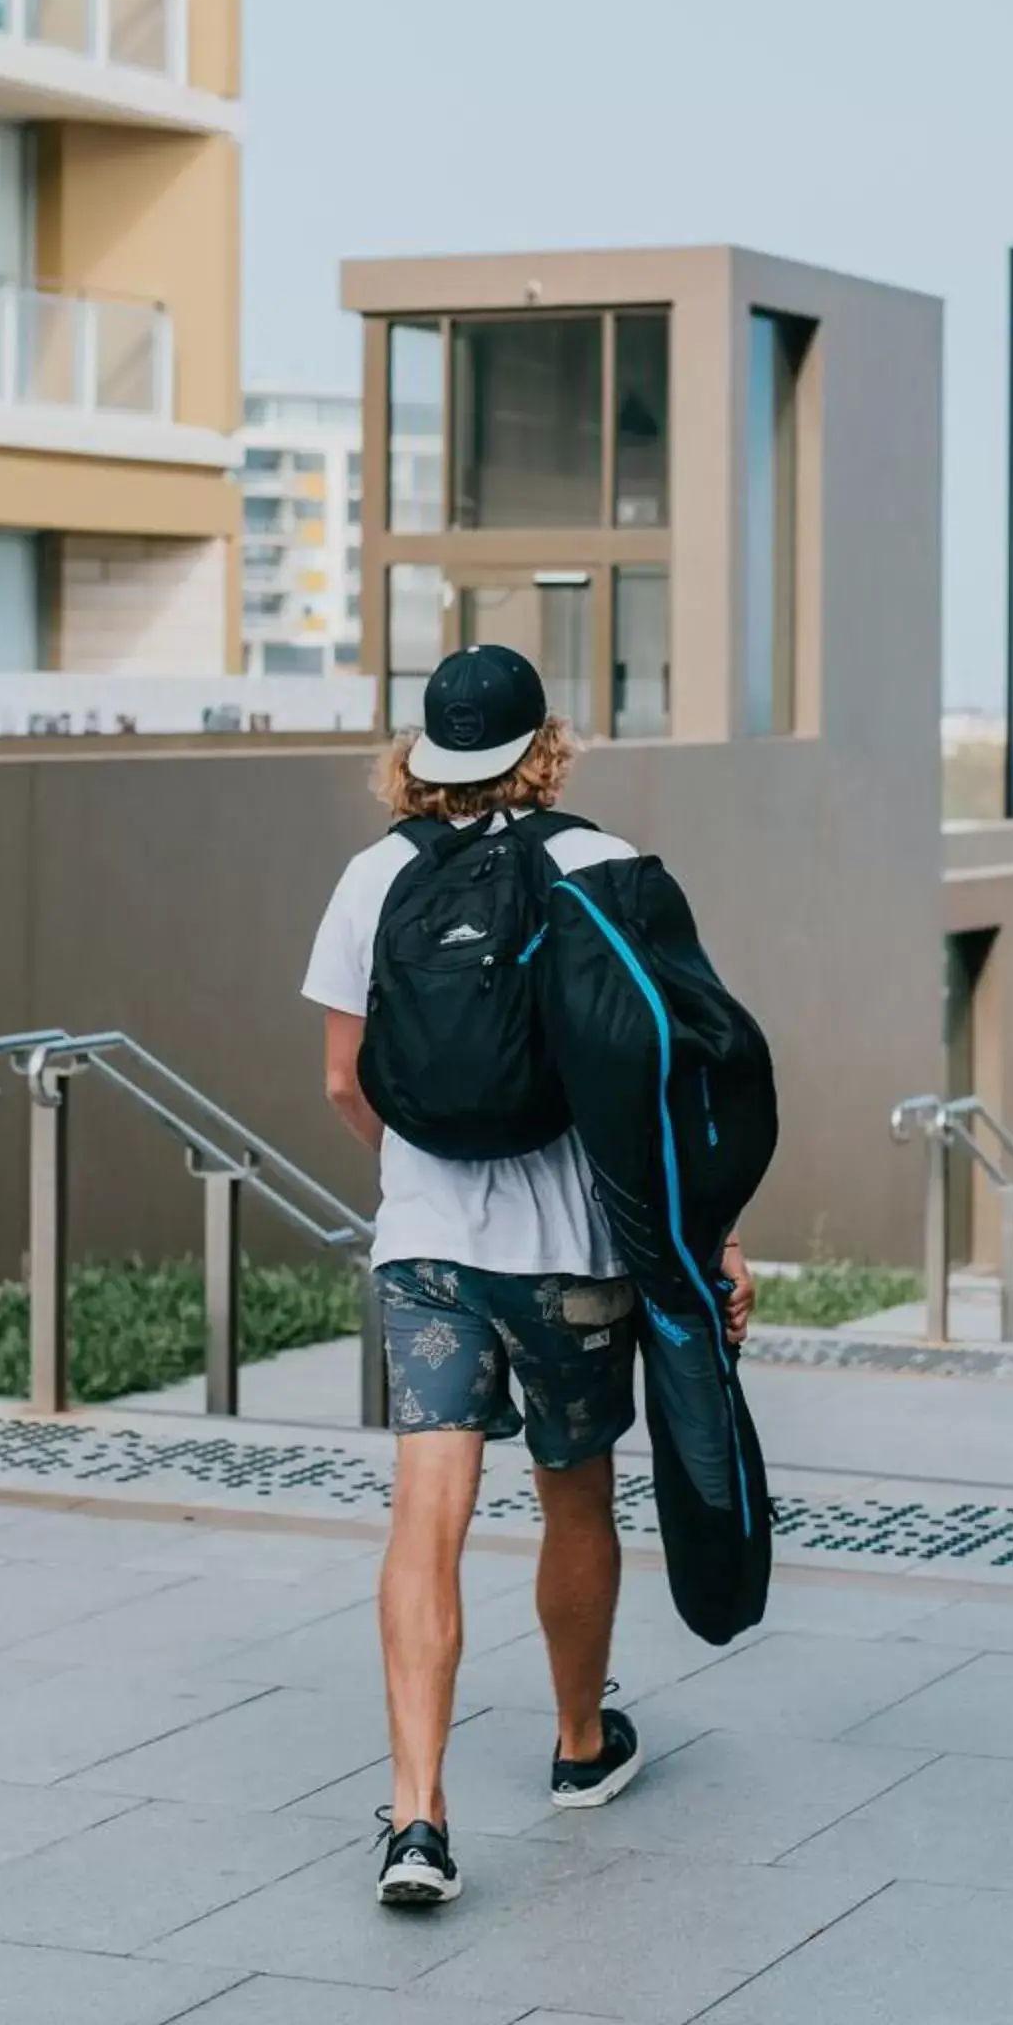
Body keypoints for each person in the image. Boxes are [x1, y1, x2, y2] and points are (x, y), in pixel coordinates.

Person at [302, 641, 755, 1907]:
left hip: (429, 1253)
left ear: (421, 755)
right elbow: (673, 1081)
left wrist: (422, 1170)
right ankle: (575, 1745)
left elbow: (344, 1079)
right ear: (543, 748)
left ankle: (415, 1818)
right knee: (572, 1500)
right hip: (573, 1261)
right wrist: (705, 1235)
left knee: (424, 1523)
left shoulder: (370, 876)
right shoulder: (602, 867)